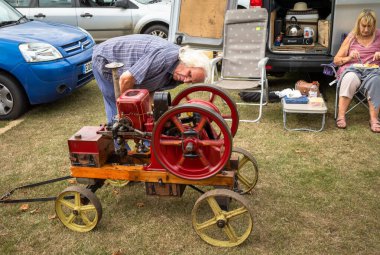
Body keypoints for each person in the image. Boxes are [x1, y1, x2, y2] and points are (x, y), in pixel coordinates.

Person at [92, 34, 211, 124]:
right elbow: (125, 79)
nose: (186, 80)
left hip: (128, 67)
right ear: (186, 60)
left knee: (143, 114)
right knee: (117, 110)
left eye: (190, 82)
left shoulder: (178, 75)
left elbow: (150, 89)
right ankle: (118, 150)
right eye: (189, 74)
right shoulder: (163, 58)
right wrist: (125, 111)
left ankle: (149, 144)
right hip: (106, 59)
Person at [333, 9, 380, 133]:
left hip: (373, 70)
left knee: (376, 80)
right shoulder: (351, 37)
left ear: (374, 25)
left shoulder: (379, 35)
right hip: (353, 69)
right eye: (363, 26)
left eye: (369, 26)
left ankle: (374, 119)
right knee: (349, 79)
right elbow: (336, 60)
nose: (366, 29)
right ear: (358, 23)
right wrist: (349, 57)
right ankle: (341, 116)